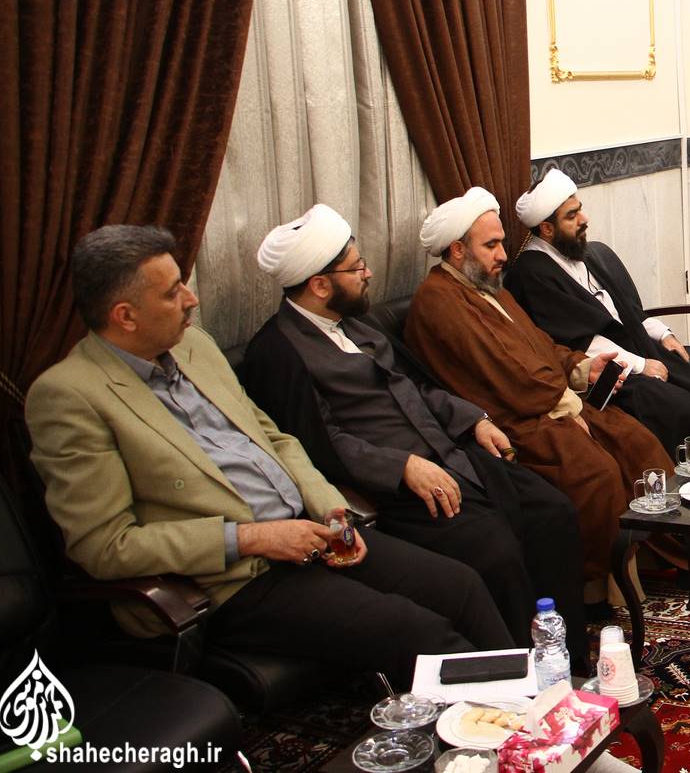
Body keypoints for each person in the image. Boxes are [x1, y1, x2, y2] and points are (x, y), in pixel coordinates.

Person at [25, 225, 510, 687]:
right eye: (172, 293)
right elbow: (105, 547)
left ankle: (533, 715)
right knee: (419, 634)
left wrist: (329, 507)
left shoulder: (194, 346)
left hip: (312, 533)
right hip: (235, 579)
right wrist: (253, 538)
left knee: (461, 586)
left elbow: (274, 437)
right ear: (125, 315)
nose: (192, 300)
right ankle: (494, 733)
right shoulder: (69, 396)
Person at [239, 204, 589, 669]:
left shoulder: (356, 324)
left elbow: (419, 387)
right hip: (400, 493)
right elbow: (320, 444)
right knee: (497, 552)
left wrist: (475, 420)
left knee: (553, 512)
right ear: (320, 285)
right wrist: (402, 466)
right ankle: (520, 678)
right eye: (356, 268)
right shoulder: (278, 353)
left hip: (453, 454)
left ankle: (569, 662)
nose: (368, 274)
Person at [404, 188, 690, 600]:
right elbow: (506, 375)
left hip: (550, 399)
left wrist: (583, 366)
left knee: (640, 444)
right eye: (491, 245)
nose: (502, 255)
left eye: (501, 244)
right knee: (596, 473)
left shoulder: (490, 288)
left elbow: (542, 345)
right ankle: (600, 589)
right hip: (513, 419)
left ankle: (685, 559)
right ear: (457, 250)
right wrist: (565, 398)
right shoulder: (439, 302)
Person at [504, 168, 690, 468]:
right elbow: (582, 341)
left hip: (639, 350)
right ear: (546, 229)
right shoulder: (531, 274)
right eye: (572, 216)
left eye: (580, 210)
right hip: (608, 373)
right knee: (678, 408)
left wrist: (663, 334)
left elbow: (626, 310)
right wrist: (641, 365)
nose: (584, 219)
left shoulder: (579, 253)